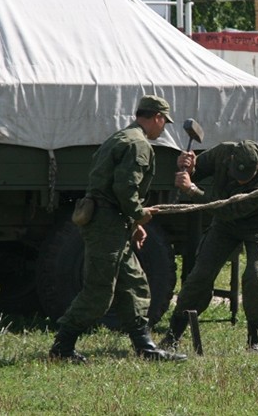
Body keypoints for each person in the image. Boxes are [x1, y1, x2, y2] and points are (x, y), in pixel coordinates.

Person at [49, 95, 187, 363]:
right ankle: (62, 347)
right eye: (164, 122)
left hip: (111, 223)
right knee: (99, 292)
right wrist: (139, 213)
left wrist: (132, 224)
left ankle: (144, 346)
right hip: (107, 226)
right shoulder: (138, 145)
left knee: (134, 284)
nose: (163, 128)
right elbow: (125, 188)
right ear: (157, 117)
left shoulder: (121, 137)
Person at [161, 140, 258, 353]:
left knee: (255, 276)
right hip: (225, 224)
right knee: (200, 275)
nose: (241, 182)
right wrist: (187, 166)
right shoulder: (223, 152)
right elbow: (197, 171)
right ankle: (173, 335)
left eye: (247, 178)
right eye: (237, 176)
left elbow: (230, 210)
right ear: (232, 160)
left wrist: (192, 191)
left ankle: (255, 341)